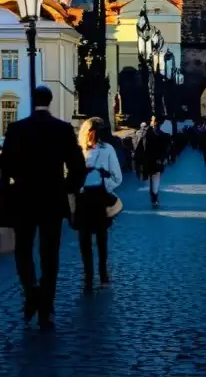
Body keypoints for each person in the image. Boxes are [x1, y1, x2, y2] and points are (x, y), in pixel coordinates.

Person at [0, 85, 86, 328]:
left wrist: (11, 188)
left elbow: (5, 167)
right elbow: (78, 167)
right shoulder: (63, 129)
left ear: (32, 100)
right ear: (50, 101)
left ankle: (31, 289)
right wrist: (67, 188)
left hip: (24, 197)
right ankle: (46, 308)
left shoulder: (17, 129)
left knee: (23, 249)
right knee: (50, 254)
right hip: (52, 199)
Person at [75, 117, 123, 293]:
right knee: (84, 239)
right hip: (83, 198)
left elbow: (117, 176)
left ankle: (102, 273)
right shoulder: (79, 150)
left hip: (98, 197)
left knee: (101, 238)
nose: (93, 135)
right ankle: (88, 276)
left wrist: (104, 186)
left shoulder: (107, 150)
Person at [142, 118, 167, 207]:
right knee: (155, 179)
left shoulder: (145, 134)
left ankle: (154, 196)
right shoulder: (162, 135)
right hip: (155, 161)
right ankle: (154, 197)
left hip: (149, 160)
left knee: (152, 179)